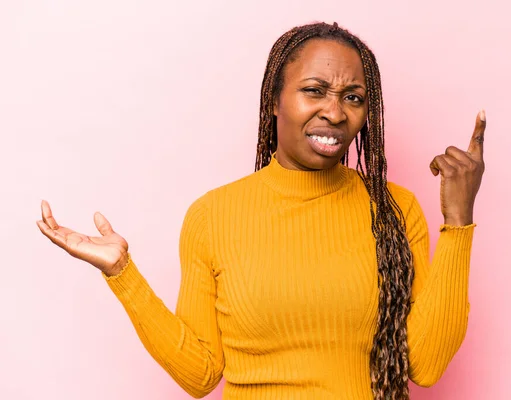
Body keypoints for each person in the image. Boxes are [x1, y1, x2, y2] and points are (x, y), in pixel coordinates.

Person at [36, 21, 486, 400]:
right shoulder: (213, 216)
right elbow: (200, 373)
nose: (335, 111)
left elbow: (425, 366)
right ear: (274, 101)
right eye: (315, 90)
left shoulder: (394, 210)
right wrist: (122, 274)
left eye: (353, 97)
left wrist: (458, 221)